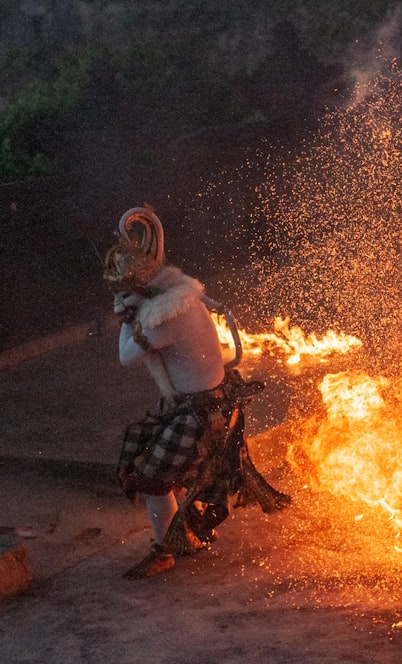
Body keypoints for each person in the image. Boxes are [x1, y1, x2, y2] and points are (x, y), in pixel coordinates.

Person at [103, 206, 289, 579]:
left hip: (202, 411)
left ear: (138, 287)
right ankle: (184, 534)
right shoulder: (180, 293)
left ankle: (166, 550)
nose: (119, 294)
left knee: (154, 478)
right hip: (199, 403)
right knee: (157, 462)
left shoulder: (164, 316)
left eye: (123, 289)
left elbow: (126, 357)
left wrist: (127, 317)